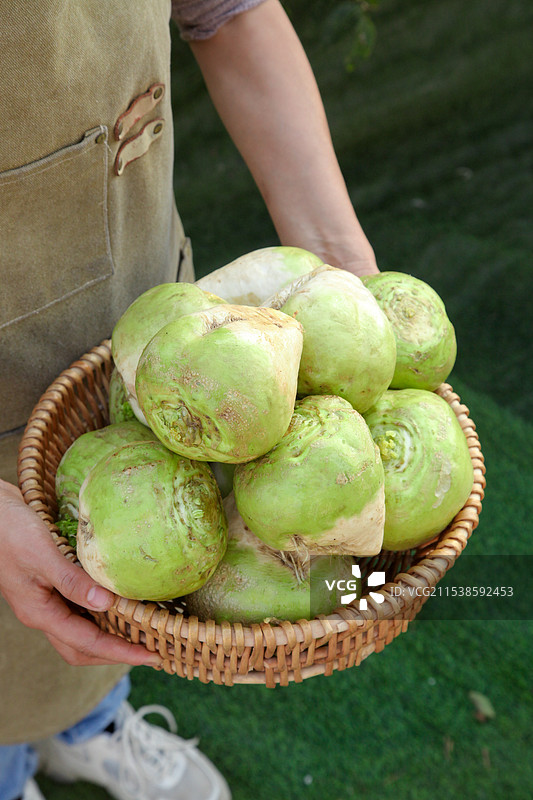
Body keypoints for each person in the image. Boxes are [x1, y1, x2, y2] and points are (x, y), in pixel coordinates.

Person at [0, 1, 378, 798]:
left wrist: (342, 274)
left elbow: (228, 11)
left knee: (114, 609)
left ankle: (87, 727)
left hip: (150, 299)